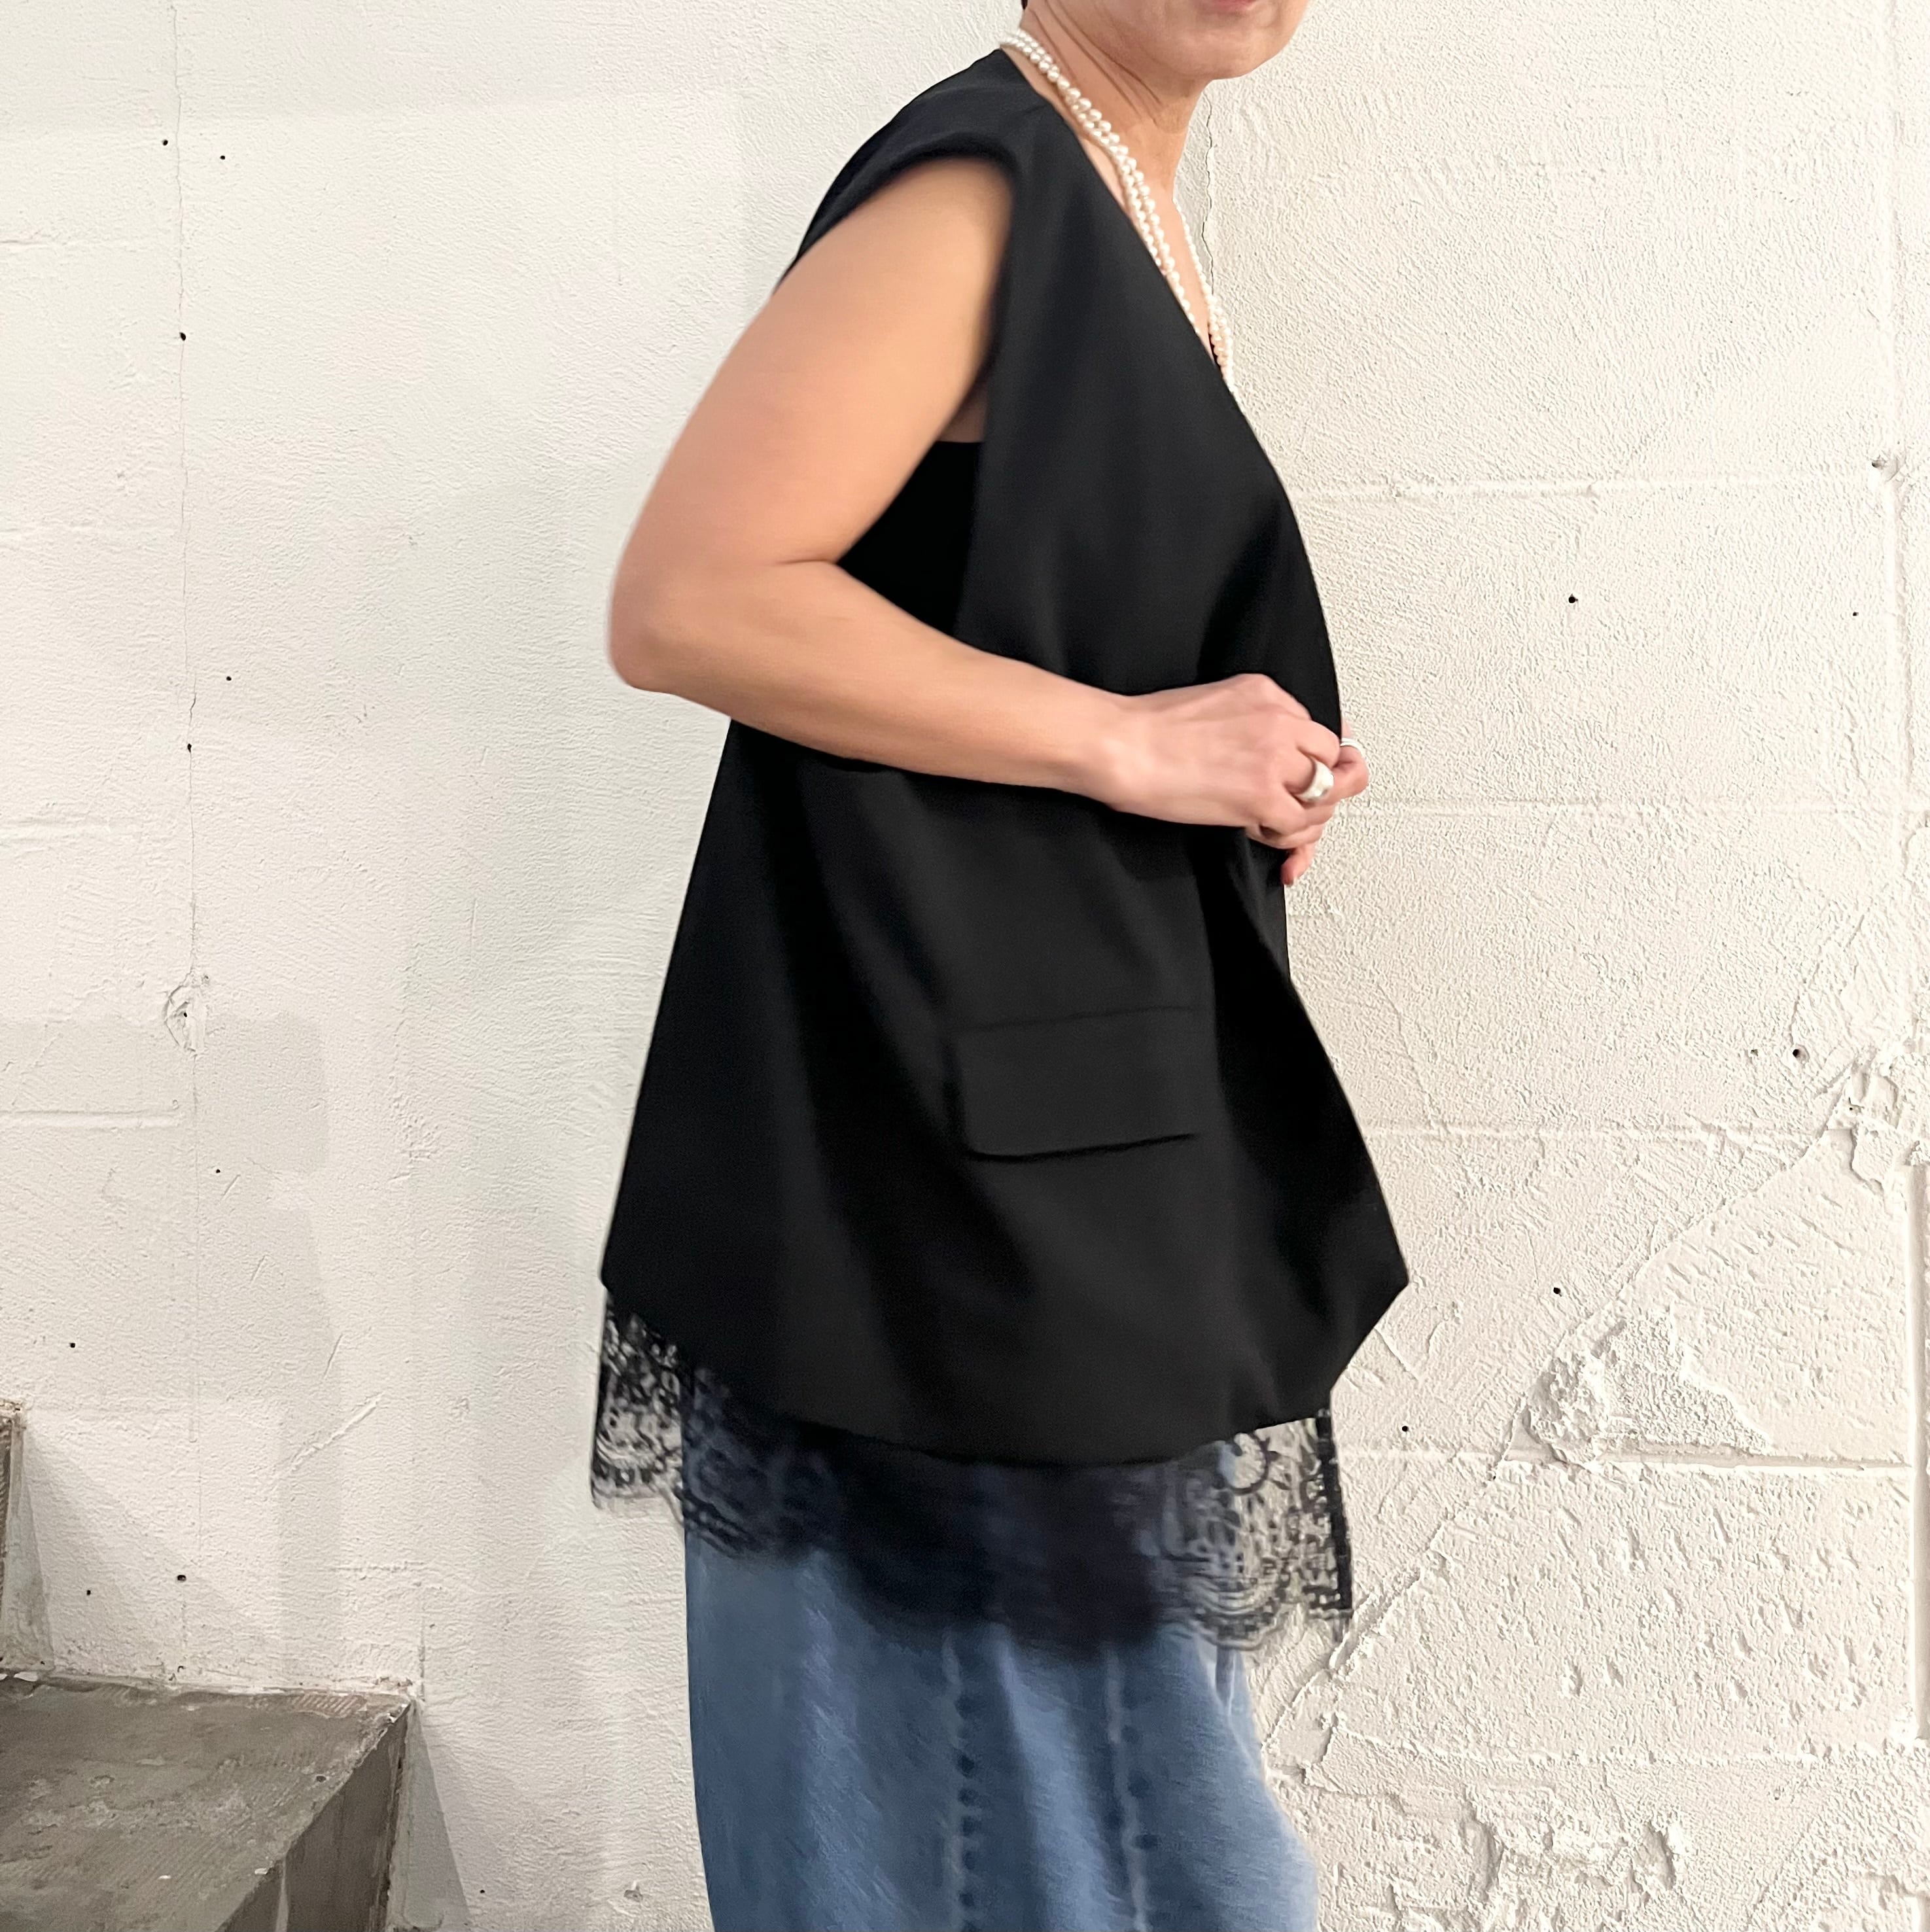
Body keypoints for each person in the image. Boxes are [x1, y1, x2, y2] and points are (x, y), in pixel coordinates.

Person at [593, 5, 1411, 1927]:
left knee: (1086, 1834)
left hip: (1053, 1145)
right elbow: (689, 597)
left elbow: (1008, 611)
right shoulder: (983, 194)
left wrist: (1233, 758)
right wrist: (1129, 743)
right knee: (1081, 1844)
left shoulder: (1116, 198)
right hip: (954, 1199)